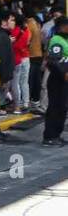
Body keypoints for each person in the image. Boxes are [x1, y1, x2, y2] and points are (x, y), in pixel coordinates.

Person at [43, 16, 68, 146]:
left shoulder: (65, 39)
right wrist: (64, 73)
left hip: (64, 81)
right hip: (58, 80)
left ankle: (57, 135)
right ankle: (49, 136)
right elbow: (54, 61)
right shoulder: (56, 40)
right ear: (62, 26)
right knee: (55, 107)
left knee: (63, 108)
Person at [11, 14, 32, 114]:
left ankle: (17, 104)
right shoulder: (27, 31)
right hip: (26, 57)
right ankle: (26, 103)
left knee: (15, 83)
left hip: (17, 58)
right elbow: (28, 42)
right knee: (24, 82)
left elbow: (13, 45)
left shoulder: (14, 31)